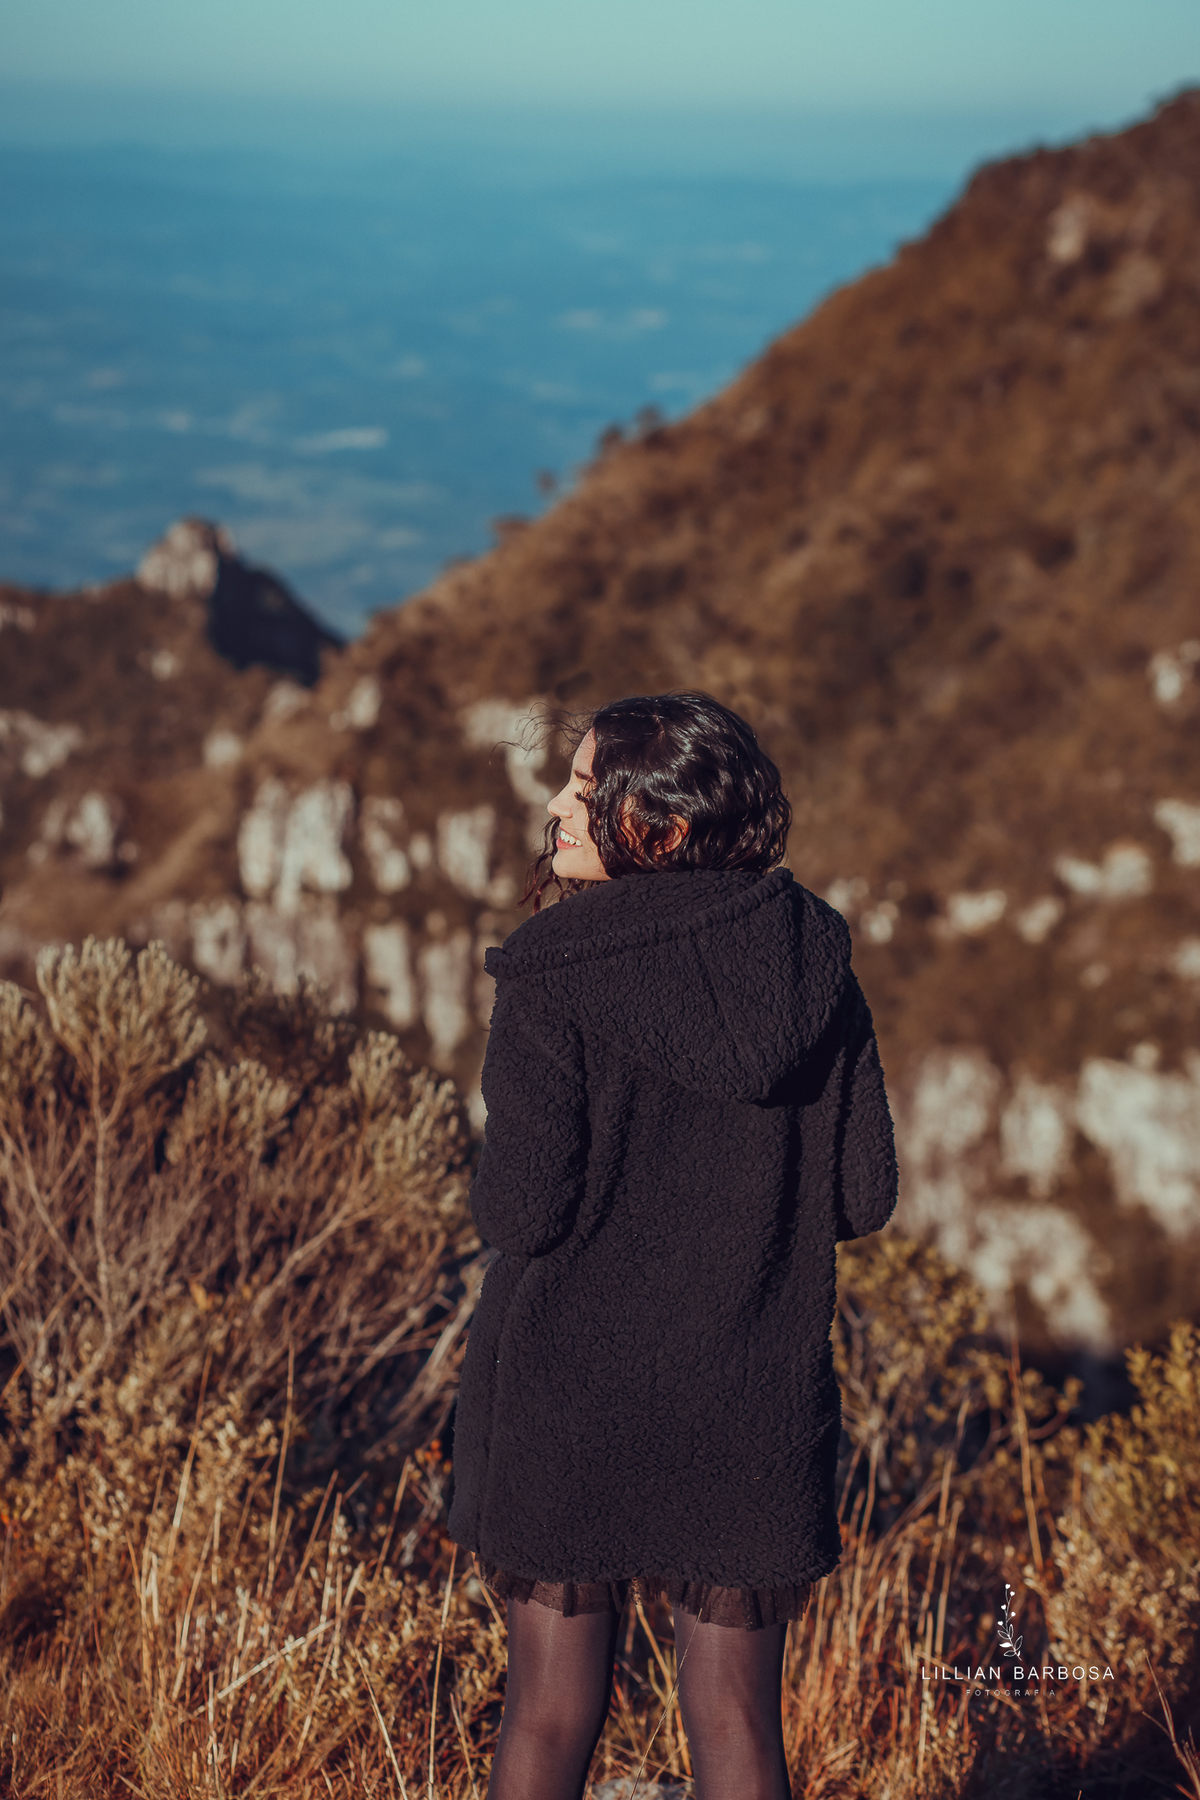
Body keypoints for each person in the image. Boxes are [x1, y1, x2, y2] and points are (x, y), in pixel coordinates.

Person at [448, 692, 897, 1800]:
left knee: (548, 1715)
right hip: (753, 1395)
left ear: (660, 824)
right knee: (738, 1724)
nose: (557, 808)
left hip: (572, 1388)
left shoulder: (551, 967)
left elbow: (522, 1215)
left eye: (584, 788)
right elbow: (863, 1194)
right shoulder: (814, 956)